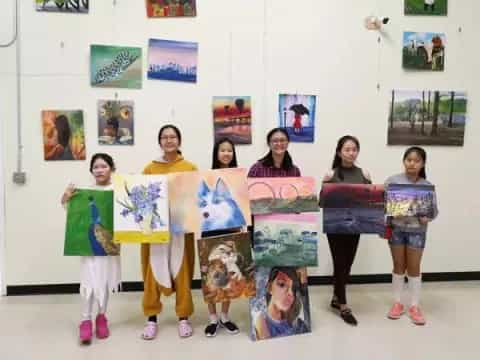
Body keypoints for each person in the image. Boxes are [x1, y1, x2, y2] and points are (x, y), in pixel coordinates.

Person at [141, 125, 198, 340]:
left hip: (180, 230)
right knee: (152, 271)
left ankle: (183, 317)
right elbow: (142, 198)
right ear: (160, 142)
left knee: (182, 270)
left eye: (172, 137)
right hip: (155, 230)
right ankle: (151, 318)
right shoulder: (149, 169)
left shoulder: (190, 168)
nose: (169, 140)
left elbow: (196, 198)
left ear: (179, 141)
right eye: (164, 137)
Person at [61, 153, 121, 345]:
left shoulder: (118, 190)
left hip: (109, 245)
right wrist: (66, 197)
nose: (99, 170)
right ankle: (85, 319)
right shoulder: (85, 192)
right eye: (96, 167)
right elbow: (71, 211)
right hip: (89, 248)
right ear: (91, 171)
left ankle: (102, 317)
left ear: (111, 168)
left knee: (104, 281)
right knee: (88, 282)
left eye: (104, 166)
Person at [385, 146, 438, 326]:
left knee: (414, 267)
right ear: (404, 161)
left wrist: (427, 217)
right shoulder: (393, 181)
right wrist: (391, 213)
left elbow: (433, 212)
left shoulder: (426, 186)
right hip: (397, 229)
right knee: (398, 266)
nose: (412, 163)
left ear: (422, 164)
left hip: (417, 231)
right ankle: (397, 303)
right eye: (409, 160)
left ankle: (414, 306)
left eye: (416, 161)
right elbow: (382, 206)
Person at [322, 135, 371, 326]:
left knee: (347, 264)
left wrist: (370, 184)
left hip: (355, 226)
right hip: (335, 227)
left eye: (354, 149)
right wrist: (324, 184)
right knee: (340, 263)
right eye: (347, 149)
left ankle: (336, 297)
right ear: (339, 152)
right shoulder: (331, 174)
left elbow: (370, 202)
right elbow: (322, 203)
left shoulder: (363, 174)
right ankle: (343, 305)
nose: (351, 152)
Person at [203, 138, 241, 337]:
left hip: (231, 229)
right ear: (216, 153)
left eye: (230, 150)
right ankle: (212, 318)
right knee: (210, 274)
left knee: (228, 271)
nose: (226, 154)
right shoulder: (207, 176)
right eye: (222, 150)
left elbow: (241, 205)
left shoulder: (238, 177)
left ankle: (225, 316)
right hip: (209, 229)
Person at [255, 267, 309, 340]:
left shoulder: (298, 323)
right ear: (269, 287)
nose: (290, 293)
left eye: (294, 289)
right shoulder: (260, 323)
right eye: (282, 284)